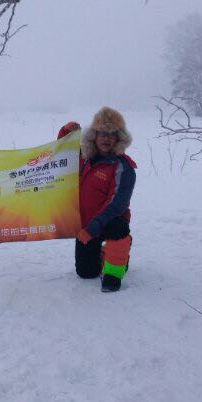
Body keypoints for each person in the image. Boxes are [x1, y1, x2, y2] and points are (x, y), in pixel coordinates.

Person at [58, 107, 136, 292]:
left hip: (109, 222)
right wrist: (66, 133)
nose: (106, 138)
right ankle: (105, 253)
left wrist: (93, 228)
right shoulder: (84, 158)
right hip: (86, 226)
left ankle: (114, 271)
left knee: (119, 227)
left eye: (112, 134)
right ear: (94, 135)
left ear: (119, 138)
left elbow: (117, 206)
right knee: (86, 273)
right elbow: (63, 155)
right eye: (102, 133)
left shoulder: (123, 167)